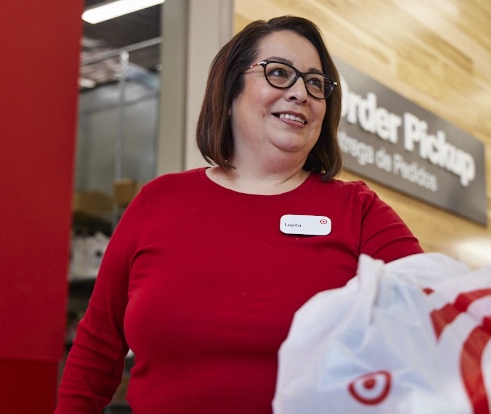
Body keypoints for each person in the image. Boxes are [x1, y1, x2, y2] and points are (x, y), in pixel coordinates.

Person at [55, 15, 423, 413]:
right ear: (230, 89)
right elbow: (97, 349)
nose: (301, 92)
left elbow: (435, 322)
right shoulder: (157, 203)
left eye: (316, 83)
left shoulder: (358, 211)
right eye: (279, 73)